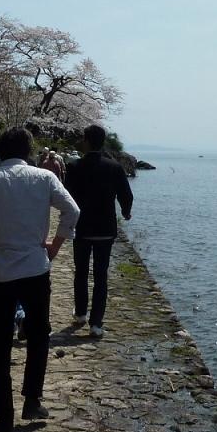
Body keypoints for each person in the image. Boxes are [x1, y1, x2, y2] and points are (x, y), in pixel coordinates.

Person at [0, 127, 80, 432]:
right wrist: (56, 246)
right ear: (28, 151)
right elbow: (72, 210)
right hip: (36, 268)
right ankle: (32, 400)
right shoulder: (44, 177)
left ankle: (4, 417)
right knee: (39, 336)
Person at [64, 124, 133, 339]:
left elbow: (67, 197)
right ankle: (96, 323)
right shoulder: (114, 167)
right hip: (105, 228)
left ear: (86, 140)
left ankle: (81, 313)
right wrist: (126, 212)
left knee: (81, 272)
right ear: (103, 142)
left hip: (82, 228)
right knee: (101, 276)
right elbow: (126, 195)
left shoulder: (74, 166)